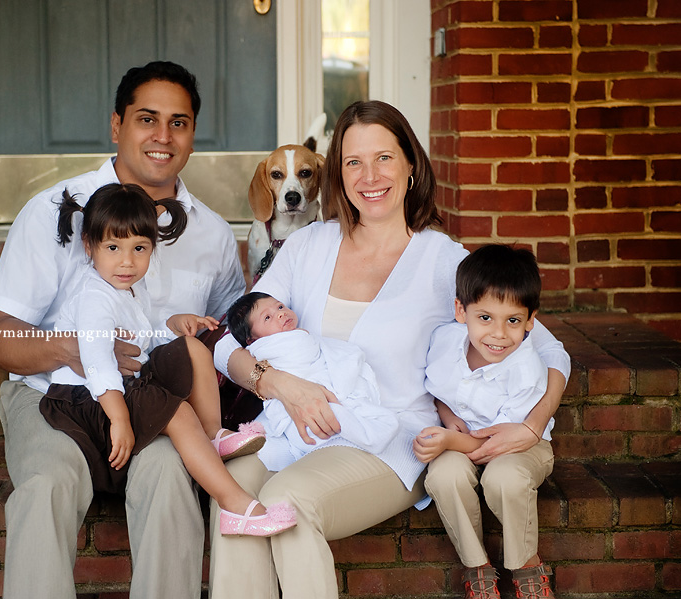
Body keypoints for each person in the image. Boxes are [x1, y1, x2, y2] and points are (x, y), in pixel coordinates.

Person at [208, 100, 571, 599]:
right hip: (296, 430)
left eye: (384, 158)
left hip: (392, 438)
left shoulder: (442, 260)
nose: (369, 175)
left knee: (287, 501)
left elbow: (550, 349)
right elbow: (227, 342)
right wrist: (277, 384)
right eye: (353, 161)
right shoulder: (307, 245)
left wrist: (532, 424)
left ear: (410, 164)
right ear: (338, 172)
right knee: (230, 490)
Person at [0, 61, 246, 599]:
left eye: (179, 122)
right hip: (53, 395)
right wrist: (73, 350)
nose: (162, 136)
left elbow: (227, 336)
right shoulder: (58, 211)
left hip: (160, 407)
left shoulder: (214, 234)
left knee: (173, 478)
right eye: (147, 118)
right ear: (116, 125)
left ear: (193, 134)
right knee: (45, 487)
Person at [40, 183, 295, 537]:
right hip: (88, 401)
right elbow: (97, 363)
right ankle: (235, 506)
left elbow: (138, 341)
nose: (127, 261)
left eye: (139, 248)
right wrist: (118, 418)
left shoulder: (125, 286)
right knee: (175, 408)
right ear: (89, 246)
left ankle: (213, 434)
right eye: (113, 247)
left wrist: (172, 327)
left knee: (192, 347)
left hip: (121, 384)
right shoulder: (94, 298)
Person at [414, 244, 557, 599]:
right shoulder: (445, 342)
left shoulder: (526, 370)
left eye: (512, 321)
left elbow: (495, 444)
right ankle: (477, 567)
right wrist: (447, 417)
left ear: (531, 320)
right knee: (445, 474)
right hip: (461, 439)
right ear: (461, 311)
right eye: (485, 318)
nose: (498, 334)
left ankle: (526, 564)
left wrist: (448, 441)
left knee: (504, 478)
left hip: (520, 445)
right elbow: (437, 391)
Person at [226, 291, 398, 471]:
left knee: (335, 412)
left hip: (317, 390)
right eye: (268, 317)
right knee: (330, 415)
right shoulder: (265, 348)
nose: (281, 313)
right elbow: (301, 356)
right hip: (299, 405)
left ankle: (361, 436)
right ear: (252, 340)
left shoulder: (300, 336)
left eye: (280, 306)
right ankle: (369, 436)